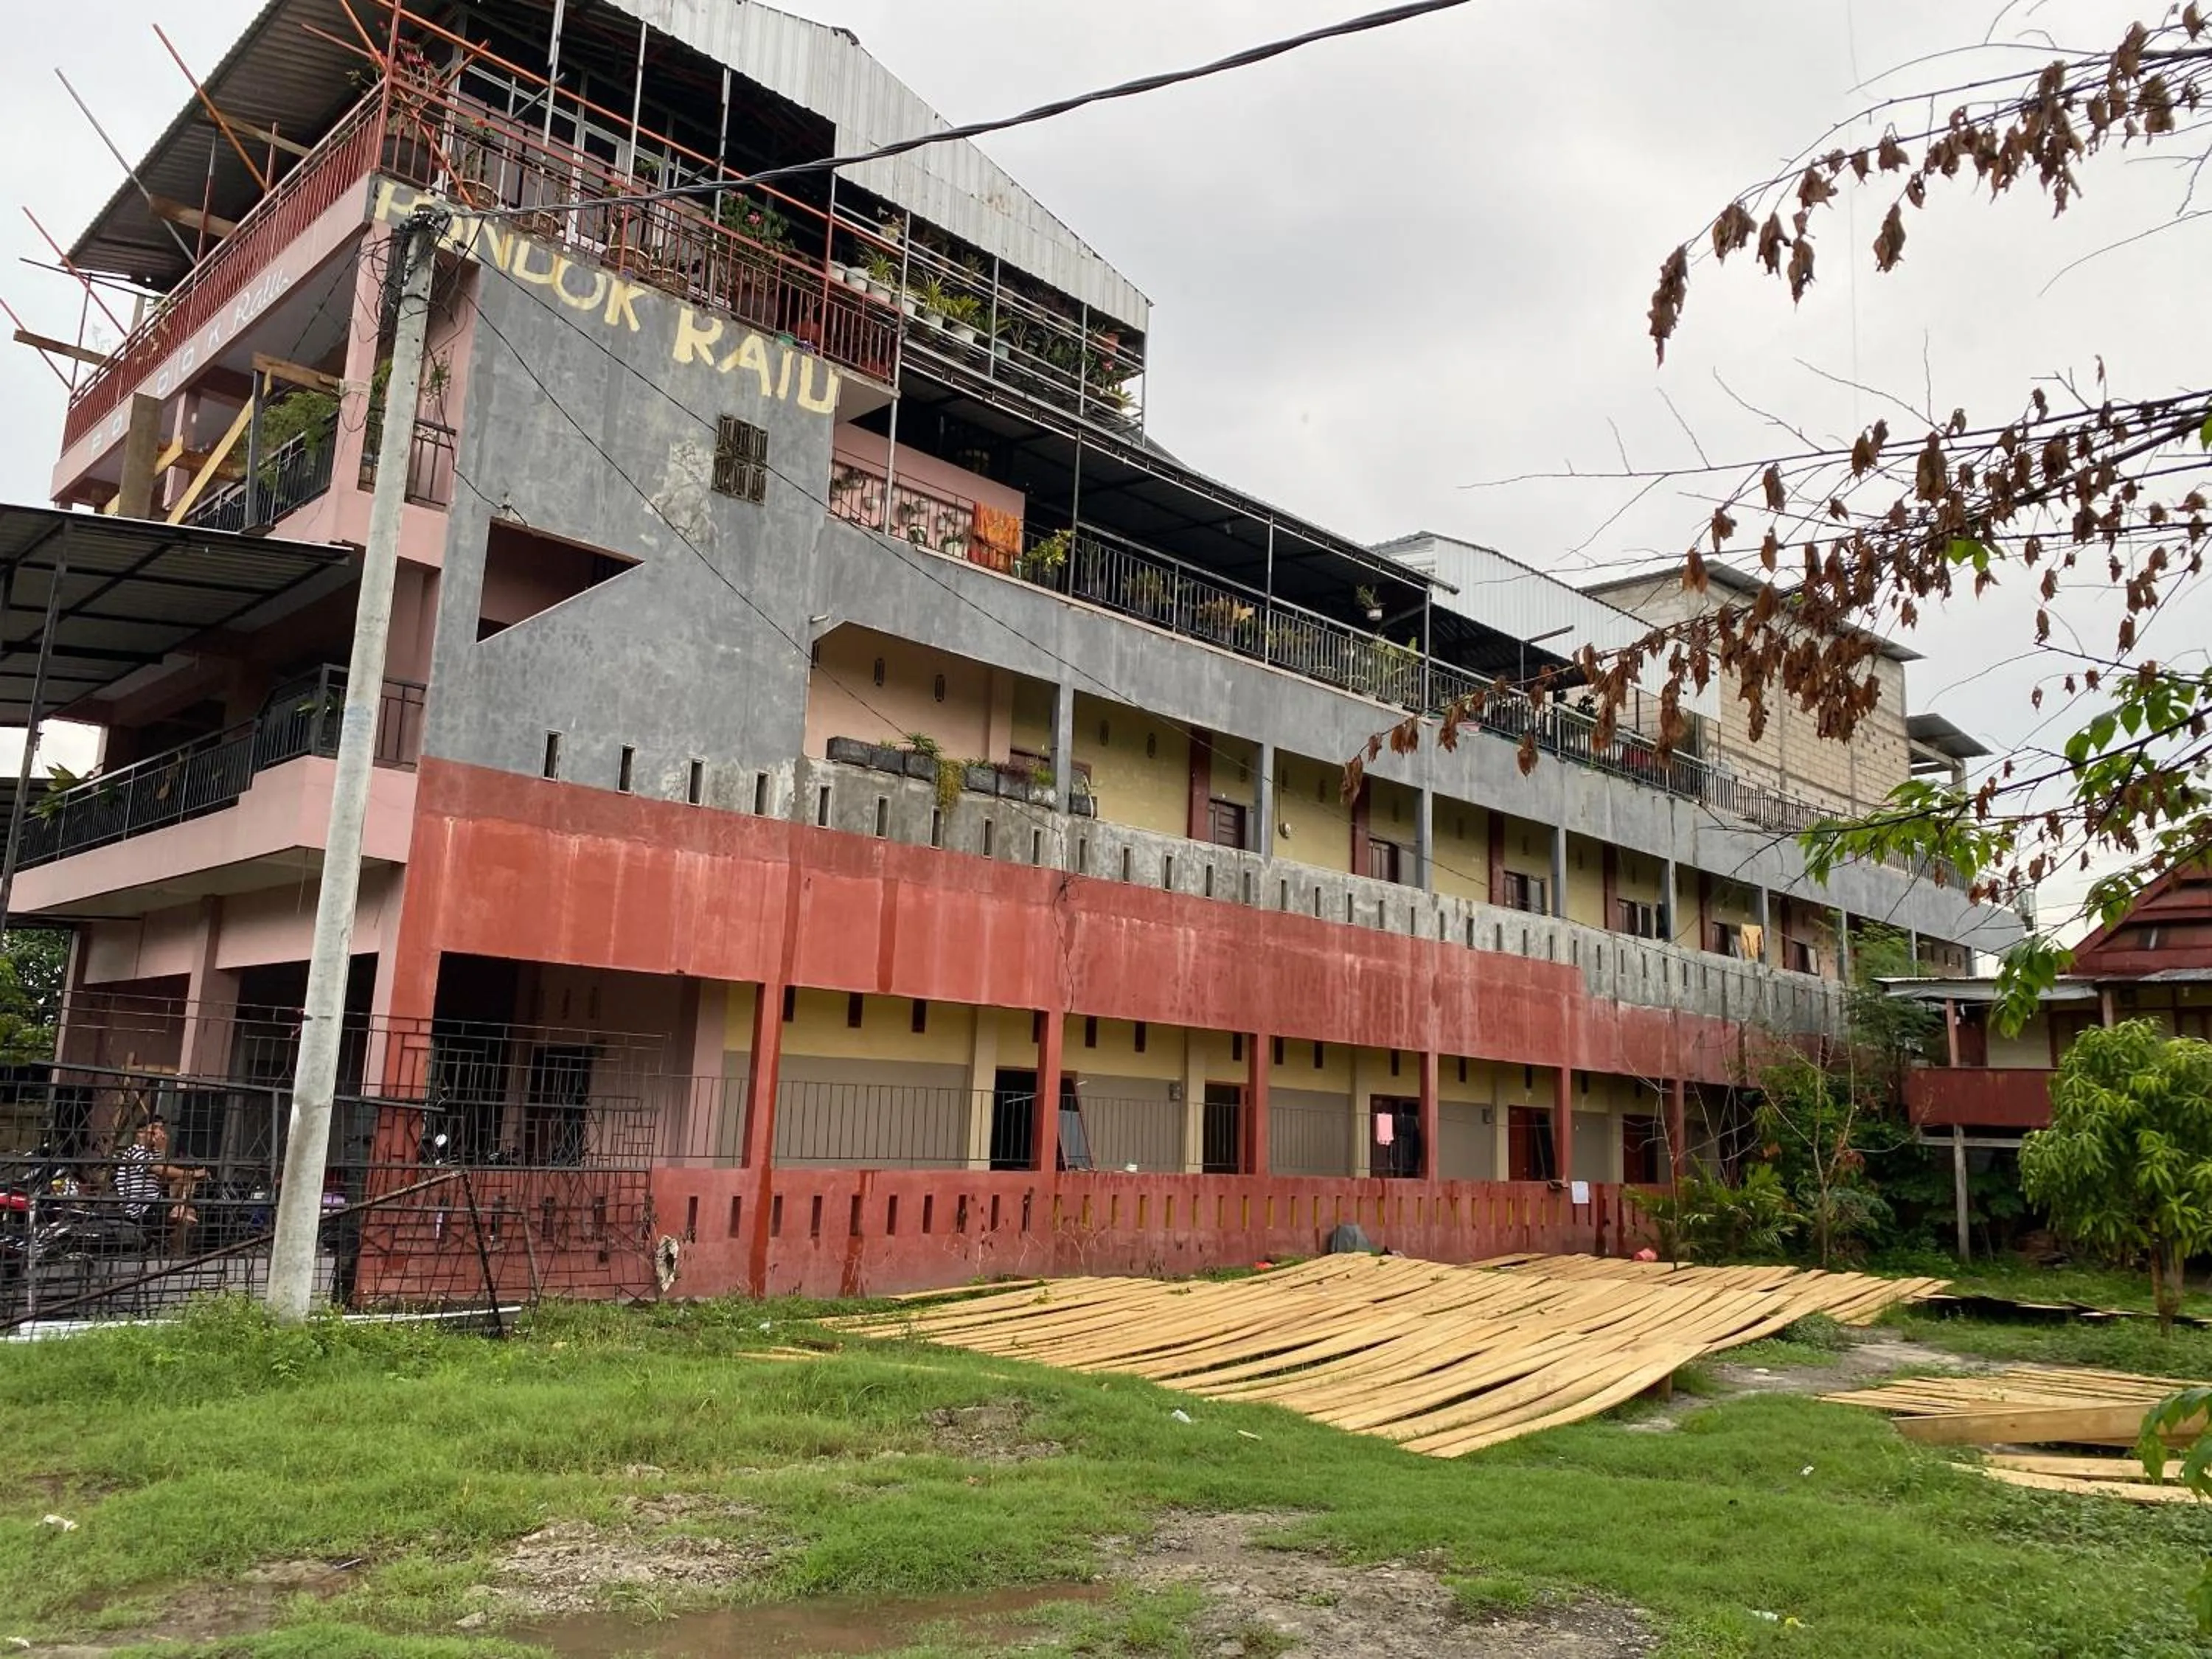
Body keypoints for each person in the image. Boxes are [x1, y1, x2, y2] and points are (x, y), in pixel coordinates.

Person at [113, 1116, 203, 1248]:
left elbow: (164, 1179)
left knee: (190, 1213)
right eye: (155, 1128)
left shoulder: (153, 1154)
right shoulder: (135, 1151)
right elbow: (160, 1170)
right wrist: (193, 1173)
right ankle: (173, 1252)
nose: (160, 1132)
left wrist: (162, 1150)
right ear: (141, 1133)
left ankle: (180, 1210)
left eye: (161, 1129)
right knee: (186, 1219)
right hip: (141, 1207)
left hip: (156, 1202)